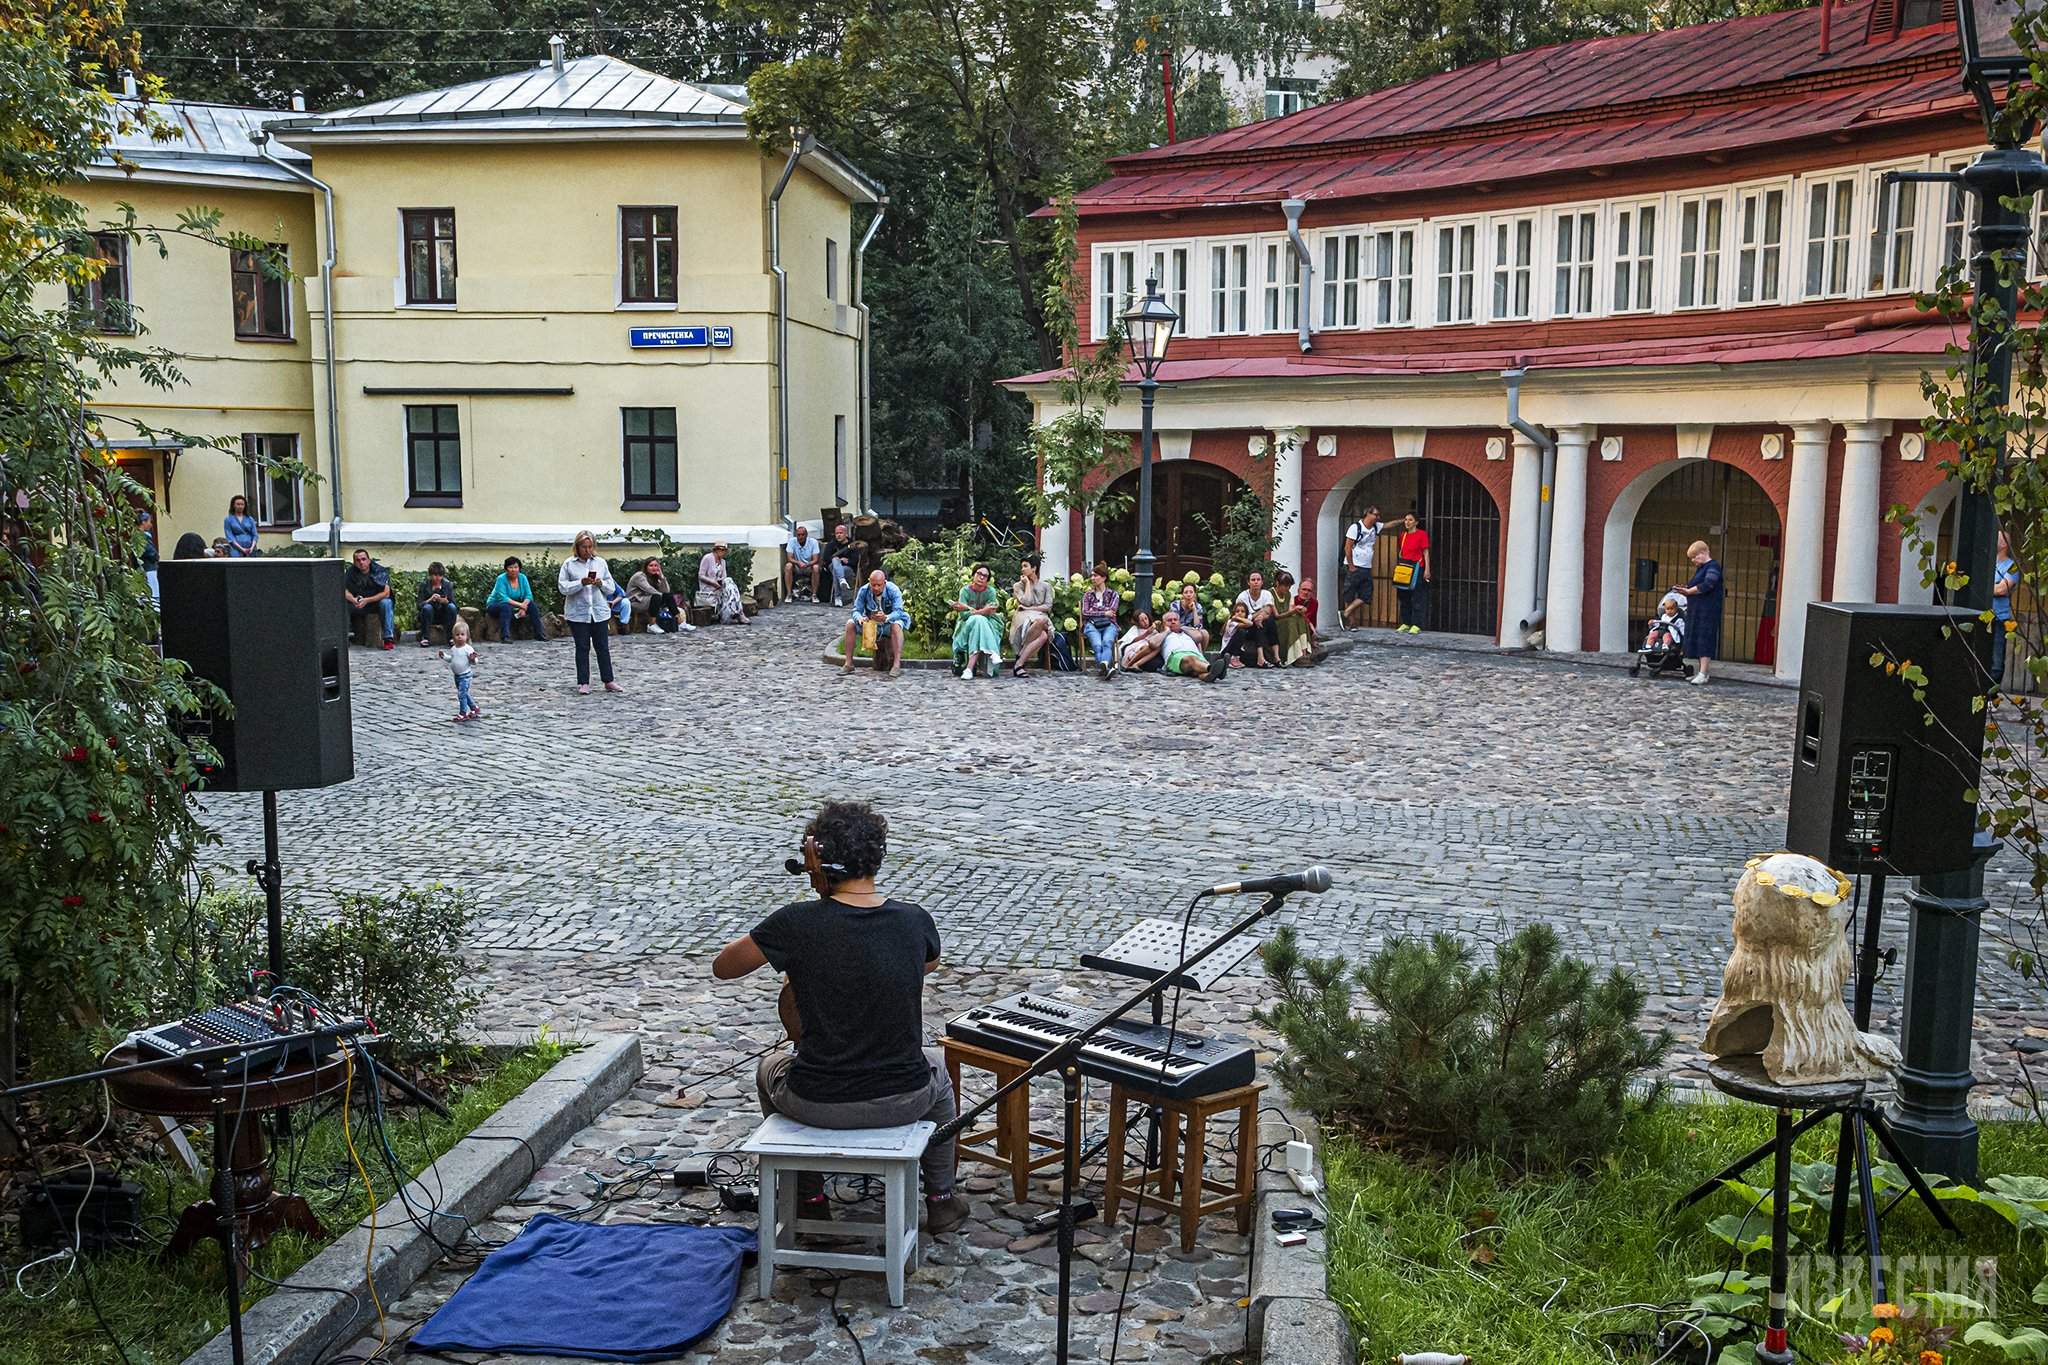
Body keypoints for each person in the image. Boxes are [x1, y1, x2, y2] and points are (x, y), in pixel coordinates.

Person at [713, 801, 967, 1235]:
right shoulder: (914, 920)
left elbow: (725, 966)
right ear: (877, 858)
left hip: (818, 1102)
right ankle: (941, 1198)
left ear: (817, 856)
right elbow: (925, 965)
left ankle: (809, 1200)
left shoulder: (794, 923)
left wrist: (815, 899)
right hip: (904, 1098)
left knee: (767, 1069)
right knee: (939, 1072)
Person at [559, 530, 624, 695]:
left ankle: (608, 680)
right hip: (578, 612)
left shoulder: (600, 563)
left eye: (590, 547)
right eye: (584, 547)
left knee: (602, 646)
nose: (587, 550)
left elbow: (611, 587)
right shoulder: (569, 564)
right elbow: (563, 587)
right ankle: (583, 682)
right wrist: (580, 583)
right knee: (582, 647)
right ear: (577, 547)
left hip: (599, 610)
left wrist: (600, 583)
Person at [1673, 538, 1723, 687]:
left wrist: (1689, 591)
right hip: (1698, 609)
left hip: (1707, 610)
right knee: (1698, 638)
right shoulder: (1702, 568)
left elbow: (1708, 584)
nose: (1694, 560)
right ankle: (1702, 672)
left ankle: (1703, 672)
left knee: (1704, 639)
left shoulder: (1713, 566)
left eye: (1695, 557)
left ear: (1704, 552)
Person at [842, 569, 909, 676]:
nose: (876, 588)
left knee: (896, 626)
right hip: (871, 625)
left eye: (879, 585)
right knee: (850, 624)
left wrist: (886, 617)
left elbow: (899, 611)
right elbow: (856, 610)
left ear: (884, 582)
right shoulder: (864, 590)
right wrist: (860, 619)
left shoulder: (893, 590)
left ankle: (896, 665)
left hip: (888, 624)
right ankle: (848, 663)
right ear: (869, 582)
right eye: (873, 585)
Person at [950, 562, 1005, 680]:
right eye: (979, 573)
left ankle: (969, 669)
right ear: (973, 575)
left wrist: (974, 611)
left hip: (986, 624)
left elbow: (989, 614)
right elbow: (964, 616)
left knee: (979, 623)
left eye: (985, 576)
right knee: (979, 620)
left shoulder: (991, 592)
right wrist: (982, 611)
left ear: (987, 580)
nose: (981, 577)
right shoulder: (965, 591)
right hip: (966, 624)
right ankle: (992, 652)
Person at [1009, 554, 1053, 676]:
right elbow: (1026, 600)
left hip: (1039, 615)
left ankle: (1019, 661)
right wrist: (1027, 584)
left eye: (1025, 566)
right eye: (1021, 566)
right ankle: (1020, 664)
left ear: (1034, 568)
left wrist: (1031, 608)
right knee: (1043, 635)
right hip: (1023, 617)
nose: (1022, 569)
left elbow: (1048, 606)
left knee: (1040, 622)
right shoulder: (1018, 586)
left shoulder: (1046, 586)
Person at [343, 547, 396, 649]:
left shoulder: (380, 571)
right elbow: (344, 590)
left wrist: (367, 600)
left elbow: (386, 593)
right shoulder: (350, 573)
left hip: (375, 603)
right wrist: (353, 600)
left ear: (369, 560)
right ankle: (344, 638)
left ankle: (388, 639)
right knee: (343, 606)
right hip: (358, 603)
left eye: (363, 559)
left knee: (386, 603)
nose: (361, 563)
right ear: (354, 562)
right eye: (358, 560)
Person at [1158, 609, 1229, 683]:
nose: (1173, 622)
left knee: (1197, 671)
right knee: (1190, 660)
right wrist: (1166, 631)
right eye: (1169, 620)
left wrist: (1182, 627)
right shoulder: (1162, 634)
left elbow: (1198, 637)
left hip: (1196, 655)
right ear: (1163, 623)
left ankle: (1210, 675)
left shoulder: (1185, 632)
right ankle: (1212, 668)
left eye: (1175, 620)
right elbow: (1153, 644)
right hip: (1176, 656)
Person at [627, 556, 693, 635]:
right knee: (657, 597)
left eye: (656, 565)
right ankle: (652, 625)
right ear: (646, 567)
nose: (654, 568)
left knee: (668, 595)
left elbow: (666, 590)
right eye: (651, 566)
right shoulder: (639, 576)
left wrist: (661, 577)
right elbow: (648, 589)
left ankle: (680, 622)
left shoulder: (654, 576)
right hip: (636, 602)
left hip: (649, 600)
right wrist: (663, 597)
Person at [486, 556, 546, 642]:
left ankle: (539, 634)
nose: (513, 570)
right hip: (495, 605)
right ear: (506, 569)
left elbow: (528, 595)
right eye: (510, 567)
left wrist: (523, 607)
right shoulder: (501, 579)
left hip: (515, 605)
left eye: (516, 567)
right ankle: (505, 636)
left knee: (532, 605)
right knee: (505, 607)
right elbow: (503, 598)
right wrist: (521, 605)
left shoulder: (522, 578)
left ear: (519, 568)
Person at [1341, 505, 1382, 629]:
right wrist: (1351, 565)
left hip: (1366, 567)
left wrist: (1404, 520)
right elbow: (1347, 547)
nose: (1377, 517)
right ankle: (1352, 623)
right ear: (1368, 514)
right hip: (1354, 566)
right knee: (1350, 594)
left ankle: (1346, 613)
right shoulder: (1355, 528)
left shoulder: (1375, 527)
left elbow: (1388, 525)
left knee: (1366, 595)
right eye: (1375, 514)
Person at [1229, 570, 1281, 667]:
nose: (1256, 582)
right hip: (1247, 627)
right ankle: (1261, 659)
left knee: (1269, 621)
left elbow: (1269, 611)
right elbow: (1241, 617)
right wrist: (1259, 613)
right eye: (1253, 580)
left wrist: (1261, 617)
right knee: (1258, 624)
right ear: (1248, 582)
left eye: (1258, 579)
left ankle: (1276, 657)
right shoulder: (1242, 596)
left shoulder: (1266, 594)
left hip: (1263, 624)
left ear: (1262, 582)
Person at [1394, 511, 1431, 634]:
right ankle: (1405, 622)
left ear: (1416, 522)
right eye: (1405, 520)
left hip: (1417, 567)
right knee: (1404, 596)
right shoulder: (1402, 536)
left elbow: (1425, 552)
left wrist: (1427, 569)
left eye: (1410, 520)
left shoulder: (1422, 535)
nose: (1407, 522)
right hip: (1404, 568)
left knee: (1417, 597)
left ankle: (1416, 624)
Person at [1080, 565, 1121, 676]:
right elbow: (1085, 612)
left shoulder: (1113, 595)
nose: (1092, 578)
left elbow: (1112, 612)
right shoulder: (1088, 595)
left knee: (1107, 642)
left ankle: (1104, 667)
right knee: (1097, 645)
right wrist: (1103, 612)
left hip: (1109, 624)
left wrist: (1094, 610)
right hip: (1091, 625)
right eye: (1092, 575)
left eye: (1095, 575)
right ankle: (1107, 667)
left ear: (1104, 578)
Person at [1993, 530, 2020, 689]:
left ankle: (1992, 696)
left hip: (1999, 618)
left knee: (1996, 661)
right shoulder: (1987, 563)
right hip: (1982, 617)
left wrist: (1984, 586)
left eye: (1997, 538)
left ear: (2004, 544)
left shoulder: (2011, 567)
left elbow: (2002, 590)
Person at [438, 618, 481, 722]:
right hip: (457, 676)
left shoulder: (468, 648)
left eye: (462, 634)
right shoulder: (453, 648)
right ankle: (474, 708)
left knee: (461, 694)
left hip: (465, 675)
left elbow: (475, 662)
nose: (460, 637)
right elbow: (452, 659)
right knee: (465, 693)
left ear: (466, 636)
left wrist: (472, 658)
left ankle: (463, 713)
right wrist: (444, 656)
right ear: (453, 636)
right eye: (457, 635)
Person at [697, 541, 748, 625]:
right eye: (722, 550)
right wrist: (713, 582)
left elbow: (724, 577)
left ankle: (736, 614)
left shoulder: (723, 562)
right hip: (709, 588)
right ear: (716, 550)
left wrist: (720, 583)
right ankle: (739, 614)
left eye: (725, 550)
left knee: (729, 582)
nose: (724, 552)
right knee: (730, 585)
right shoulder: (708, 558)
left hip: (720, 587)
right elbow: (701, 576)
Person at [1276, 572, 1319, 667]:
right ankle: (1300, 654)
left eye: (1309, 590)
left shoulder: (1314, 603)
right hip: (1291, 627)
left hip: (1306, 630)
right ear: (1298, 589)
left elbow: (1313, 620)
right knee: (1298, 620)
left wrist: (1313, 635)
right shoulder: (1293, 600)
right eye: (1304, 589)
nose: (1306, 592)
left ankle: (1304, 652)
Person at [416, 561, 458, 647]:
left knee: (451, 607)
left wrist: (445, 601)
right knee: (427, 607)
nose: (437, 578)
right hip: (429, 614)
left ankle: (451, 637)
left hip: (443, 614)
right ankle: (425, 638)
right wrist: (430, 599)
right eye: (435, 575)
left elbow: (454, 604)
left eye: (440, 575)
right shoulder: (424, 585)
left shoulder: (447, 584)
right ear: (430, 575)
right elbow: (419, 606)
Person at [784, 524, 821, 602]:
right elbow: (789, 558)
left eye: (802, 535)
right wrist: (798, 562)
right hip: (797, 566)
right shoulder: (792, 541)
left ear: (806, 535)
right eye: (798, 535)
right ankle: (789, 594)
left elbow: (815, 559)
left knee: (816, 567)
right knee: (788, 566)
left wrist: (807, 564)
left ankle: (814, 595)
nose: (800, 537)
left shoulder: (813, 542)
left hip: (809, 565)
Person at [827, 523, 861, 606]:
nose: (838, 535)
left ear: (846, 534)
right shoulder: (832, 544)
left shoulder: (852, 545)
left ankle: (837, 598)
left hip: (848, 569)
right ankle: (842, 579)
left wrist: (847, 561)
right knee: (835, 560)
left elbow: (855, 560)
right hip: (832, 566)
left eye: (840, 533)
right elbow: (826, 558)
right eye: (837, 533)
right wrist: (839, 560)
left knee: (836, 572)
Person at [1173, 582, 1209, 649]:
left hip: (1191, 630)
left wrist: (1194, 610)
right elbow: (1175, 624)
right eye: (1186, 592)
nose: (1188, 595)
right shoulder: (1175, 605)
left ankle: (1201, 656)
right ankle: (1200, 657)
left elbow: (1198, 627)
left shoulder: (1198, 607)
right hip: (1178, 630)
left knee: (1205, 633)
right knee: (1197, 637)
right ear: (1182, 595)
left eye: (1191, 592)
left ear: (1195, 594)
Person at [138, 509, 159, 603]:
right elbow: (150, 552)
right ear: (143, 522)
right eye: (149, 521)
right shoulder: (143, 537)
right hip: (148, 568)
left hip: (144, 568)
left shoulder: (139, 536)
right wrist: (156, 555)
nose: (151, 525)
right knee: (153, 593)